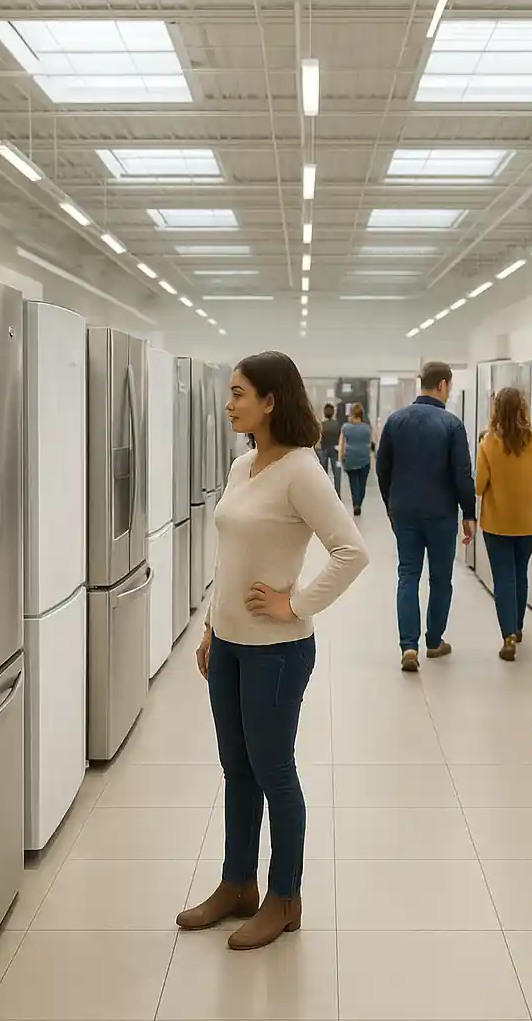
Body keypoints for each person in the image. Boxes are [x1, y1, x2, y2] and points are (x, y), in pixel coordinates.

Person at [177, 352, 369, 950]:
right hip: (230, 646)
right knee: (238, 770)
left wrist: (298, 603)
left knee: (273, 772)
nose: (229, 402)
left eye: (239, 393)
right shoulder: (243, 467)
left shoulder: (302, 472)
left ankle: (285, 896)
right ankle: (239, 886)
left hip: (276, 652)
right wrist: (212, 624)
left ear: (270, 401)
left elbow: (351, 552)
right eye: (230, 392)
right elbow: (228, 558)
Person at [376, 362, 476, 672]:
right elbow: (462, 474)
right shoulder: (451, 425)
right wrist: (469, 513)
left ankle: (409, 646)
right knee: (440, 578)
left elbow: (383, 468)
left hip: (404, 510)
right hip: (441, 512)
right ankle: (434, 641)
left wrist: (390, 505)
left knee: (408, 575)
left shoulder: (395, 421)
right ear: (444, 385)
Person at [476, 386, 532, 661]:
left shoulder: (488, 443)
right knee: (520, 573)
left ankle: (508, 634)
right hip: (527, 522)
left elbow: (478, 485)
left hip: (496, 522)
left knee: (504, 577)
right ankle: (518, 627)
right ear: (523, 408)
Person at [339, 402, 373, 516]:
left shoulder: (345, 427)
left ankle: (355, 504)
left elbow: (342, 445)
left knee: (353, 483)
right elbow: (371, 443)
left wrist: (341, 459)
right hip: (364, 459)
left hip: (350, 458)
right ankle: (359, 503)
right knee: (362, 484)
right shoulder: (367, 428)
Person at [317, 403, 342, 495]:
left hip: (323, 450)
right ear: (333, 413)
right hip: (335, 450)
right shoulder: (337, 425)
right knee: (337, 473)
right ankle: (337, 492)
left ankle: (324, 492)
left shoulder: (321, 425)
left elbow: (318, 439)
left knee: (323, 473)